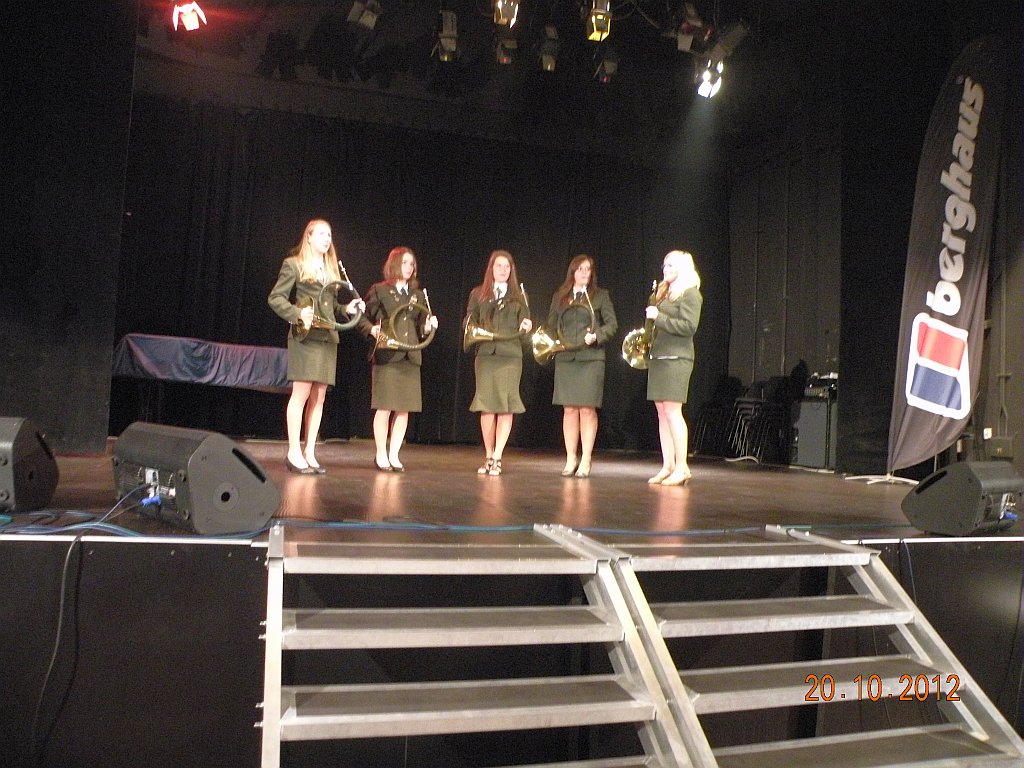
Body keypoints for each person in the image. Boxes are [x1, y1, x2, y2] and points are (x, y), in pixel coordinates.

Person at [268, 219, 364, 475]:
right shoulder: (294, 264)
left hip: (327, 338)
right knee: (300, 394)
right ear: (308, 237)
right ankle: (293, 451)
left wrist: (347, 308)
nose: (326, 239)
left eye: (329, 235)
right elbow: (275, 298)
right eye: (321, 234)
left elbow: (331, 307)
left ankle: (309, 451)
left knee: (319, 396)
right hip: (306, 337)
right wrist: (297, 313)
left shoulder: (332, 270)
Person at [358, 246, 439, 472]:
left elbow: (421, 326)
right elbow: (362, 317)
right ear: (394, 264)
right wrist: (371, 330)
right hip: (388, 354)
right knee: (384, 407)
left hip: (410, 355)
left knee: (404, 409)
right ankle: (381, 453)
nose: (409, 267)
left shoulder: (418, 295)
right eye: (405, 263)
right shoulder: (379, 290)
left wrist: (428, 326)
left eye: (412, 264)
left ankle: (394, 454)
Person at [545, 254, 618, 478]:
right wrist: (554, 341)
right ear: (572, 273)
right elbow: (551, 326)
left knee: (587, 409)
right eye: (580, 269)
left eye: (588, 269)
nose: (585, 273)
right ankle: (570, 458)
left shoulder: (600, 296)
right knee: (569, 409)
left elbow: (612, 325)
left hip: (590, 359)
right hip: (567, 358)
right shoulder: (560, 296)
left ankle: (586, 459)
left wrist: (596, 336)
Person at [465, 249, 533, 476]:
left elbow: (525, 328)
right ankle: (488, 455)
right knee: (487, 406)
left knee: (505, 406)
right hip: (486, 355)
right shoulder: (478, 293)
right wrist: (473, 327)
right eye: (499, 266)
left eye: (507, 266)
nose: (503, 270)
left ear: (511, 270)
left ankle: (497, 457)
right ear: (491, 269)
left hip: (510, 356)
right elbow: (468, 321)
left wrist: (527, 327)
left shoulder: (519, 295)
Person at [645, 250, 703, 486]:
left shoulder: (690, 294)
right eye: (664, 265)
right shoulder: (663, 292)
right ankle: (668, 465)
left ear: (683, 268)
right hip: (659, 357)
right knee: (662, 412)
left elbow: (689, 326)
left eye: (671, 265)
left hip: (677, 359)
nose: (665, 269)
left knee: (673, 411)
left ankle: (682, 467)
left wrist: (658, 317)